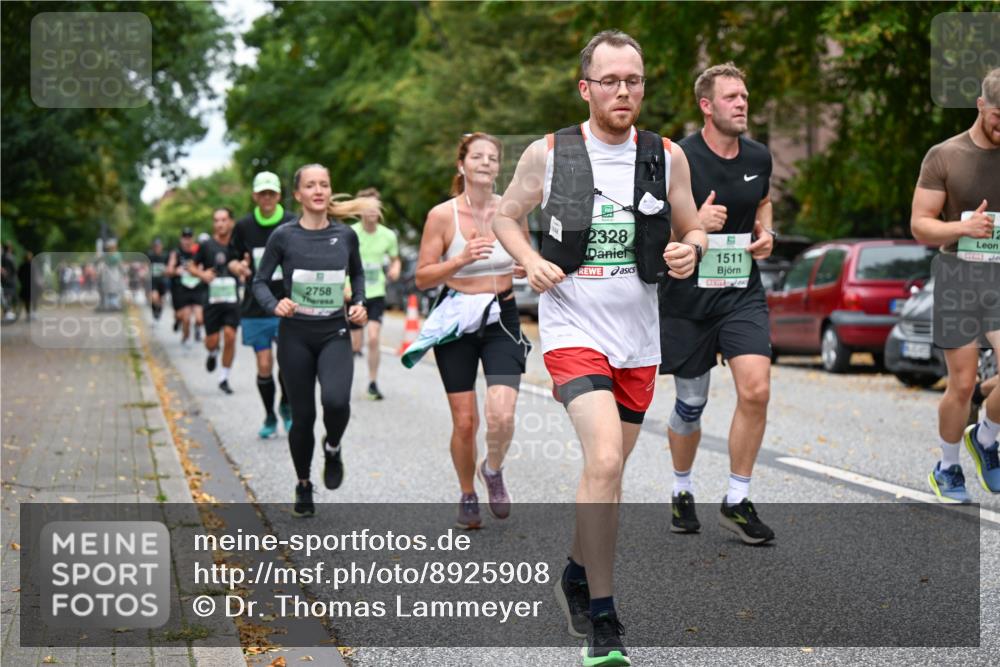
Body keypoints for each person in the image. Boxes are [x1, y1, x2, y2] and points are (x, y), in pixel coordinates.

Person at [493, 30, 705, 667]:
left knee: (607, 477)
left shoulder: (665, 155)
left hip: (638, 340)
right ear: (585, 88)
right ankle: (604, 621)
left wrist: (688, 249)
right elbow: (506, 215)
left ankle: (576, 573)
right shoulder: (550, 152)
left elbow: (691, 222)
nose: (623, 91)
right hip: (572, 332)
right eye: (610, 80)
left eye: (633, 80)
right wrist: (529, 260)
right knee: (606, 462)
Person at [657, 63, 777, 544]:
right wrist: (693, 223)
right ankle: (682, 489)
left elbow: (762, 201)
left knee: (756, 390)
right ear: (706, 106)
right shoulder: (675, 158)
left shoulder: (760, 156)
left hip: (741, 292)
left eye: (744, 95)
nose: (742, 103)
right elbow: (651, 232)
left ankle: (737, 498)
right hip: (687, 298)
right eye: (731, 97)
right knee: (691, 403)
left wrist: (767, 231)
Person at [412, 133, 530, 531]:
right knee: (466, 422)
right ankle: (467, 492)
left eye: (492, 157)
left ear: (498, 167)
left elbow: (526, 257)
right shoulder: (441, 216)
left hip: (502, 316)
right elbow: (423, 278)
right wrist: (460, 258)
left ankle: (492, 468)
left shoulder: (512, 211)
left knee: (502, 414)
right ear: (461, 166)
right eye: (476, 156)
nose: (485, 162)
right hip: (458, 320)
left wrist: (524, 267)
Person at [252, 164, 372, 517]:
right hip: (296, 336)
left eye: (324, 184)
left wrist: (360, 303)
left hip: (334, 332)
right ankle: (303, 484)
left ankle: (332, 447)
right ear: (299, 195)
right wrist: (276, 304)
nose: (318, 190)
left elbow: (359, 272)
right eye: (310, 185)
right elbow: (259, 281)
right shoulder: (284, 236)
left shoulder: (346, 236)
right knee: (302, 417)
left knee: (336, 402)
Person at [911, 67, 1000, 502]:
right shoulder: (944, 155)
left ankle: (986, 435)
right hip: (958, 275)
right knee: (962, 384)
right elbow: (921, 226)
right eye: (999, 116)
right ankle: (947, 466)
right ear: (981, 106)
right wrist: (964, 229)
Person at [229, 171, 298, 438]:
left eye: (272, 193)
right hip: (256, 307)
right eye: (262, 193)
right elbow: (231, 259)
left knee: (288, 363)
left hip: (288, 305)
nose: (267, 198)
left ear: (279, 195)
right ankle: (269, 415)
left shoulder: (293, 222)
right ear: (255, 196)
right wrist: (239, 267)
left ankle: (286, 406)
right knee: (264, 364)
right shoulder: (244, 227)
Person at [349, 187, 401, 400]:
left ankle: (372, 382)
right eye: (367, 207)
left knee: (373, 338)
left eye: (375, 207)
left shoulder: (388, 236)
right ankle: (343, 380)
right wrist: (344, 285)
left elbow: (395, 258)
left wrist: (396, 267)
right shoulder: (350, 233)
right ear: (359, 210)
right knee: (355, 343)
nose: (372, 211)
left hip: (376, 293)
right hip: (352, 293)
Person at [192, 208, 241, 394]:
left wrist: (243, 268)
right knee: (211, 341)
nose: (220, 223)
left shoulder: (238, 244)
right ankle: (213, 352)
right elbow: (192, 266)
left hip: (231, 300)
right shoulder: (206, 245)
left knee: (230, 336)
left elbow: (247, 261)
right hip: (212, 301)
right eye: (216, 220)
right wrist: (202, 274)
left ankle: (224, 377)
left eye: (224, 220)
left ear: (231, 222)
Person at [166, 229, 206, 347]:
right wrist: (176, 271)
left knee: (199, 319)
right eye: (185, 238)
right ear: (181, 239)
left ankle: (197, 329)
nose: (187, 241)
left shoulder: (198, 251)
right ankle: (185, 338)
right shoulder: (176, 253)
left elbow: (206, 265)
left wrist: (200, 271)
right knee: (185, 318)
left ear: (193, 239)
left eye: (189, 238)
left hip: (197, 288)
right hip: (182, 289)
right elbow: (169, 270)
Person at [146, 238, 169, 322]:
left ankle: (159, 310)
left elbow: (169, 267)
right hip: (153, 280)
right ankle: (154, 310)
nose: (157, 248)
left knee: (161, 299)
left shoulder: (165, 256)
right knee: (154, 297)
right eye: (156, 246)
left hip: (163, 281)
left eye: (159, 246)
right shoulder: (150, 255)